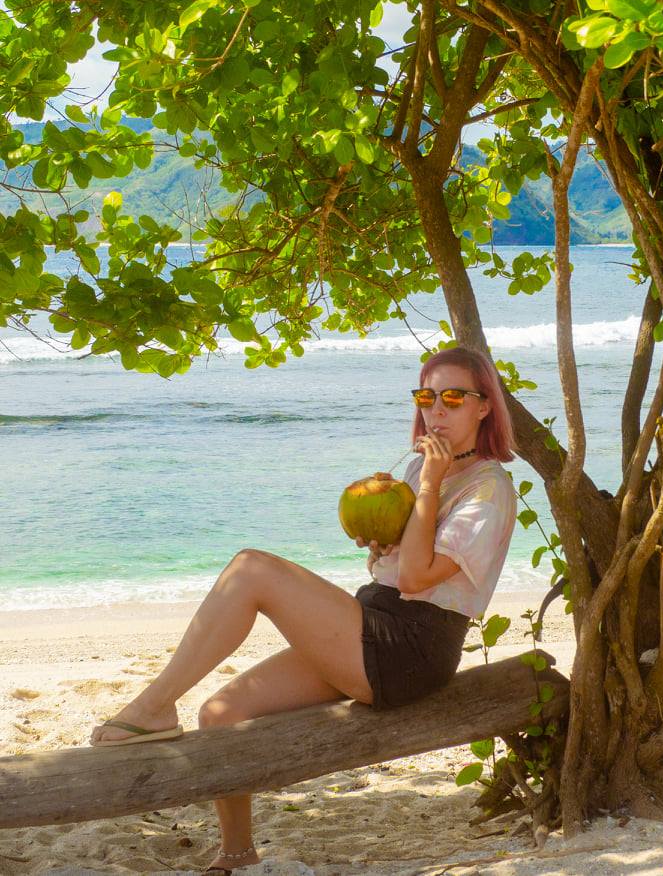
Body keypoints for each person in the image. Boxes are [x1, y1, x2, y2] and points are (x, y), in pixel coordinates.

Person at [89, 346, 517, 873]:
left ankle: (152, 707)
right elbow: (393, 567)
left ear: (484, 407)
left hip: (413, 646)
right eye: (427, 397)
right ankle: (238, 853)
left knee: (252, 568)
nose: (437, 411)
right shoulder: (416, 468)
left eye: (454, 397)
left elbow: (414, 579)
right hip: (373, 622)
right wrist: (380, 540)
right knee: (221, 714)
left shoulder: (488, 487)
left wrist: (427, 486)